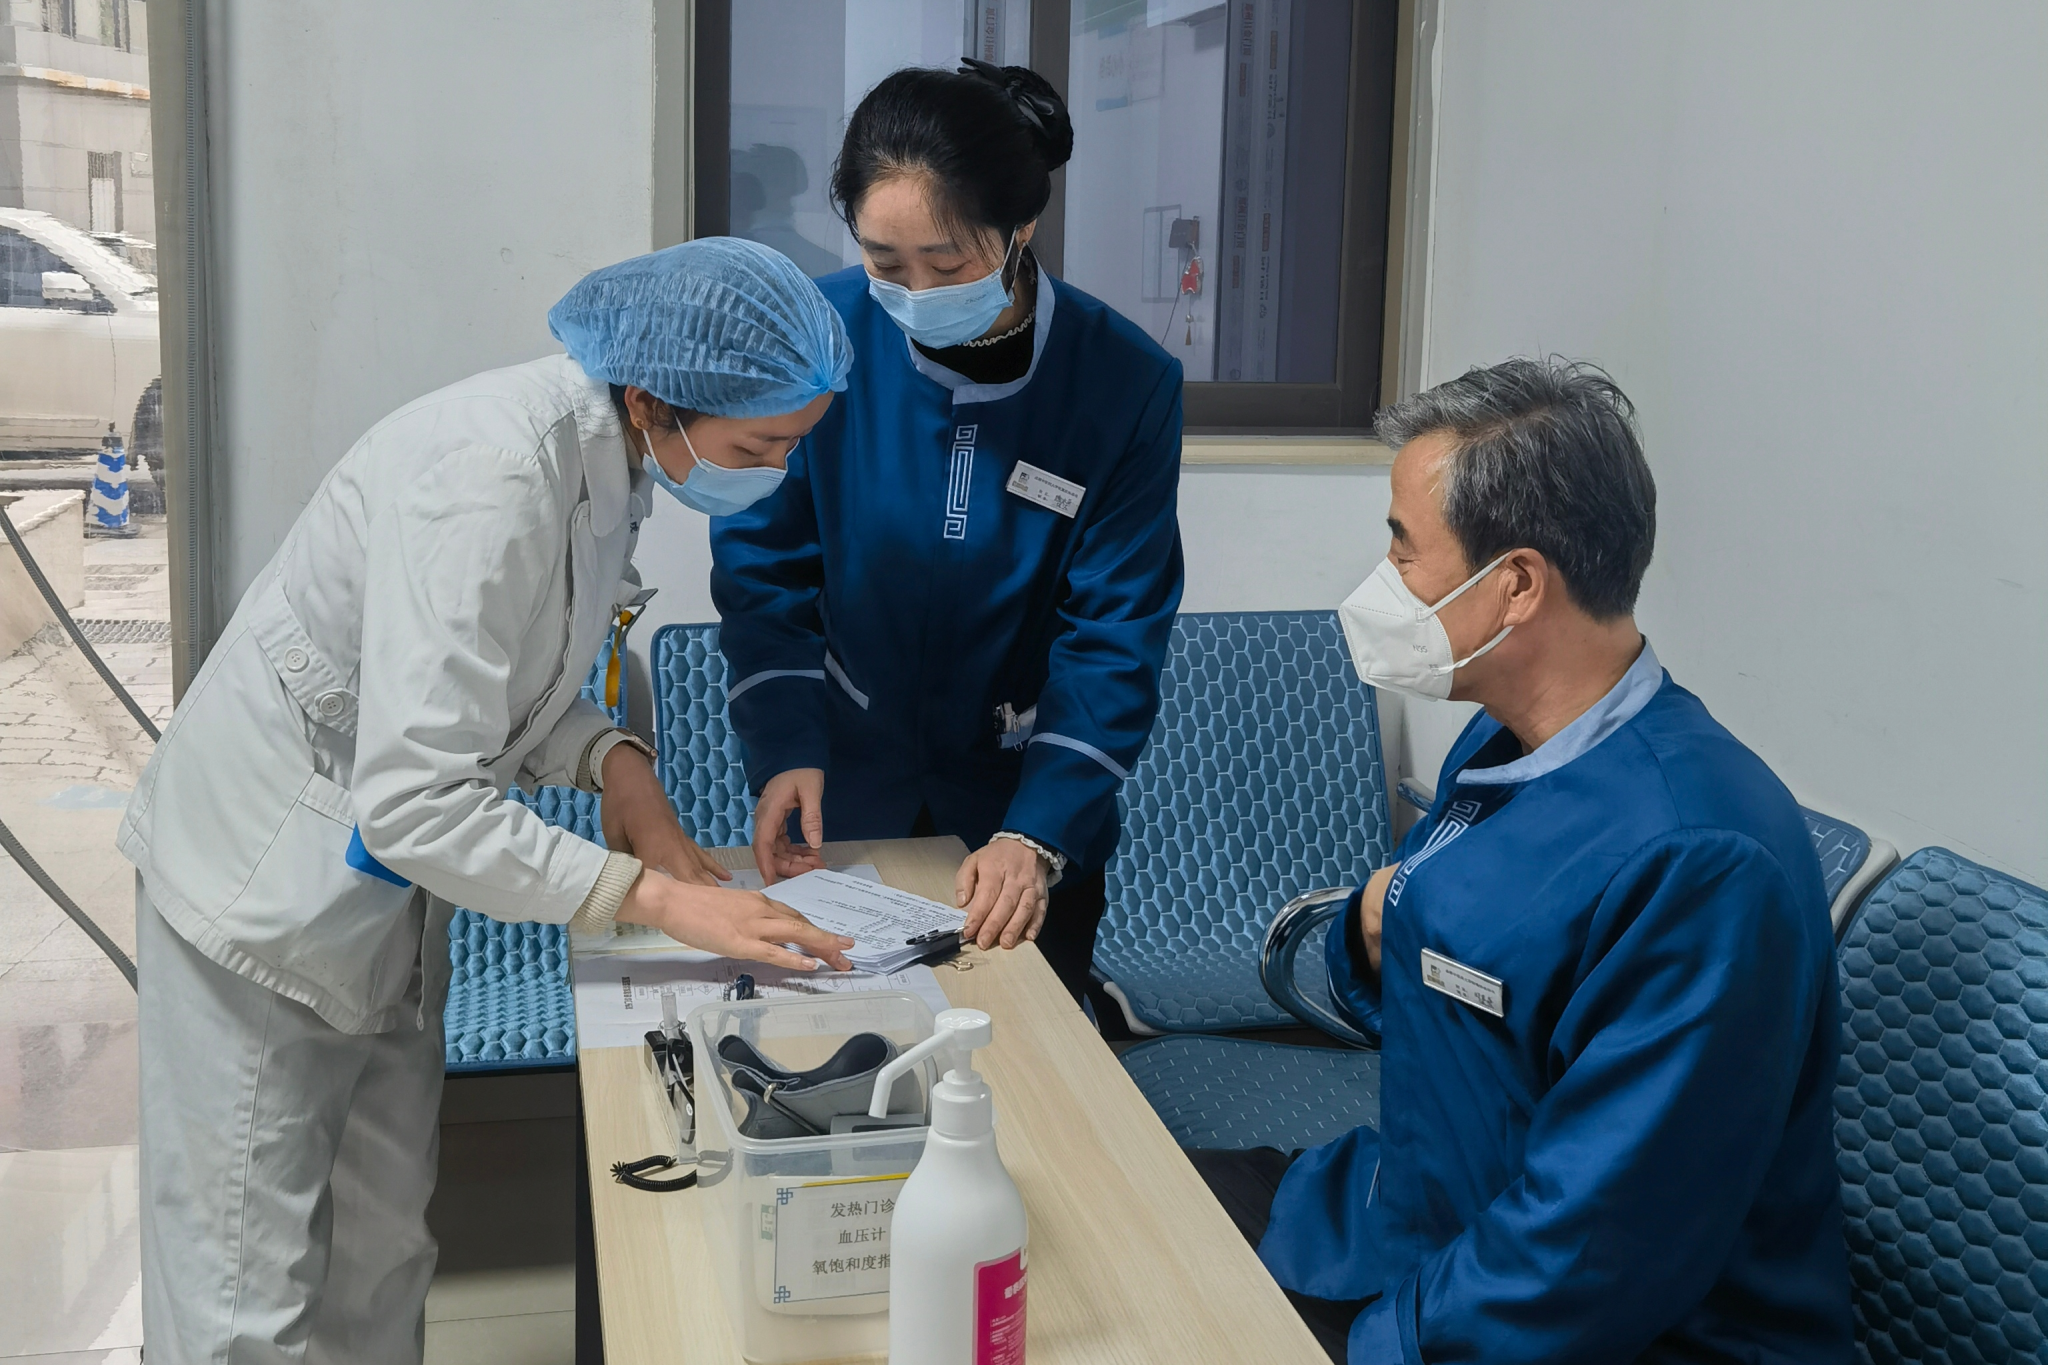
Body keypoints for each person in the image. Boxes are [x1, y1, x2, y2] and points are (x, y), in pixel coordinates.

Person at [120, 237, 860, 1363]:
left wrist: (619, 767)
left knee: (380, 1258)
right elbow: (419, 799)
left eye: (792, 444)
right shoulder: (491, 476)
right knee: (241, 1301)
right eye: (758, 446)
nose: (774, 471)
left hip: (377, 904)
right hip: (257, 897)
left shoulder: (609, 463)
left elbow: (512, 684)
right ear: (653, 399)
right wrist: (657, 898)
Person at [1188, 359, 1853, 1363]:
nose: (1383, 579)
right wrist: (1369, 932)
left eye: (1403, 548)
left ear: (1515, 586)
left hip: (1582, 1322)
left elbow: (1590, 1252)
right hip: (1412, 1214)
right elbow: (1457, 983)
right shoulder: (1505, 741)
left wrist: (1385, 1346)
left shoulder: (1702, 865)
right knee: (1116, 1207)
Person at [710, 60, 1185, 1002]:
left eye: (949, 263)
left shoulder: (1123, 382)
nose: (916, 292)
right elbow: (765, 568)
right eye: (886, 263)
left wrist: (1039, 830)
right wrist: (786, 745)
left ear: (1021, 229)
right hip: (848, 787)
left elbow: (1115, 629)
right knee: (846, 1049)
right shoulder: (819, 337)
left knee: (1030, 1065)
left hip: (1020, 804)